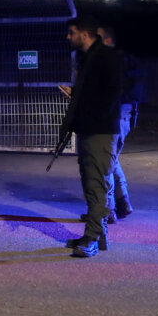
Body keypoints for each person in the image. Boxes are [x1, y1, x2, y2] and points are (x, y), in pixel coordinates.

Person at [58, 16, 121, 259]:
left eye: (71, 33)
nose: (68, 37)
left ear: (84, 34)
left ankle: (92, 238)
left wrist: (85, 106)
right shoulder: (88, 58)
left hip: (100, 130)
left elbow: (111, 95)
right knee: (91, 184)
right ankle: (98, 236)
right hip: (90, 128)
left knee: (97, 186)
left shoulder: (106, 57)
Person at [91, 25, 142, 222]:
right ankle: (124, 202)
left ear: (108, 41)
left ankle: (108, 210)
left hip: (111, 115)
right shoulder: (126, 59)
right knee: (111, 160)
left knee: (104, 164)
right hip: (126, 115)